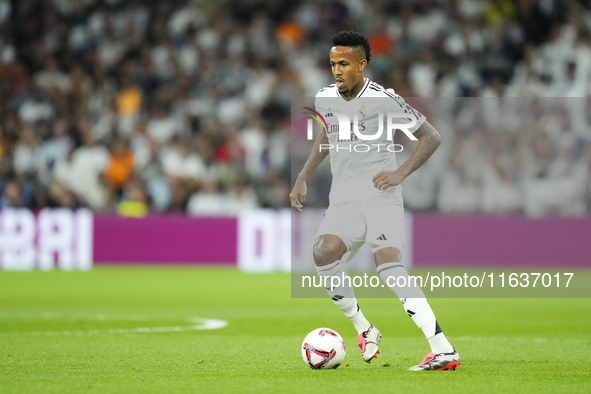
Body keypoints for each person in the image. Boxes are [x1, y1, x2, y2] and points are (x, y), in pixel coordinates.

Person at [289, 30, 460, 371]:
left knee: (387, 264)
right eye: (333, 63)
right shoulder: (325, 98)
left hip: (380, 197)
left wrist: (399, 173)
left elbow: (431, 137)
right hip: (344, 200)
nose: (336, 70)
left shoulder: (383, 100)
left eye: (344, 63)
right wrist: (303, 175)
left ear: (362, 65)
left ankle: (442, 349)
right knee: (323, 253)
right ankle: (363, 328)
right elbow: (328, 133)